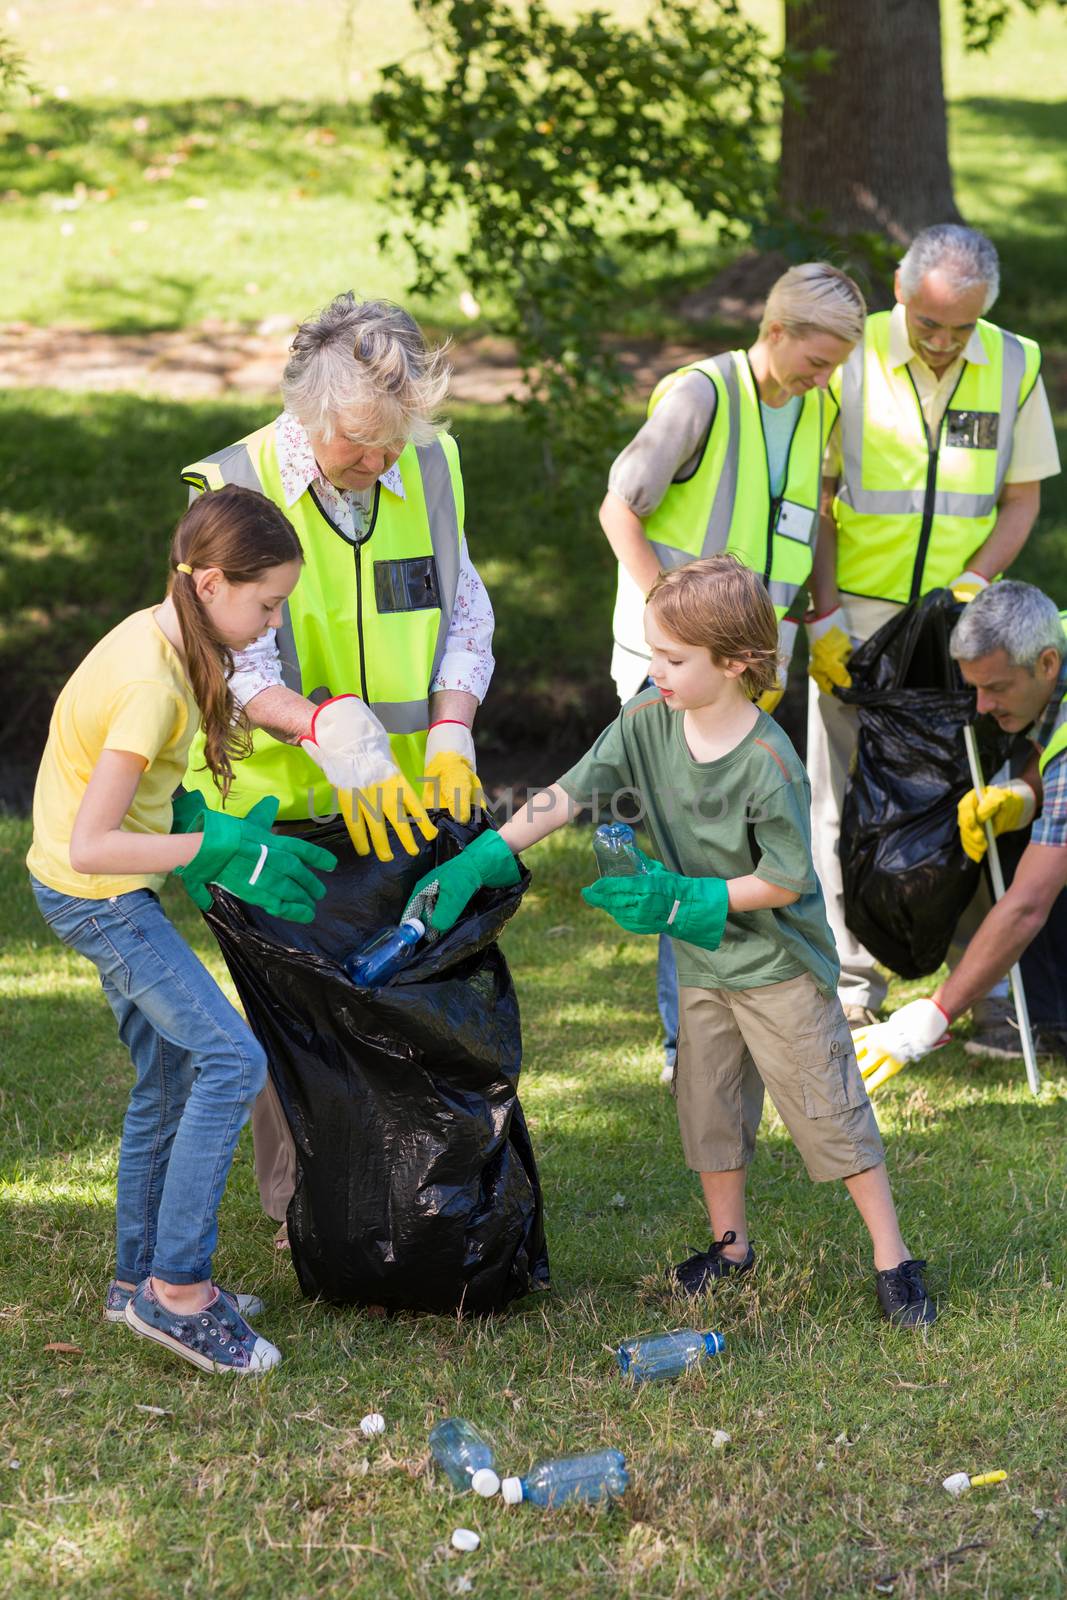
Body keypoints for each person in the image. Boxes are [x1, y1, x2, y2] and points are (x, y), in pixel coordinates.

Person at [411, 556, 934, 1327]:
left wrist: (683, 895)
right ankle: (730, 1249)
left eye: (672, 659)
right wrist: (484, 857)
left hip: (775, 966)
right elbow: (567, 792)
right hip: (701, 963)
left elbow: (786, 881)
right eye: (652, 652)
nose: (653, 670)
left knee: (828, 1110)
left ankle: (893, 1261)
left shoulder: (768, 765)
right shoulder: (644, 722)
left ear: (735, 665)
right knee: (708, 1108)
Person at [180, 292, 496, 1228]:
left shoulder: (431, 465)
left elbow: (464, 611)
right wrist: (322, 732)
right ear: (307, 415)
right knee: (295, 1023)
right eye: (360, 445)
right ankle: (305, 1217)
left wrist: (450, 729)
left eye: (396, 440)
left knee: (400, 1000)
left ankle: (404, 1204)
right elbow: (234, 664)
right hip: (274, 815)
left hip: (404, 802)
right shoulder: (231, 487)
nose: (380, 462)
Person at [26, 487, 336, 1374]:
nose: (272, 622)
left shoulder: (159, 632)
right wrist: (211, 842)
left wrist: (195, 823)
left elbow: (120, 802)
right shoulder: (150, 686)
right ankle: (179, 1294)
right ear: (208, 583)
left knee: (168, 1072)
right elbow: (95, 840)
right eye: (266, 603)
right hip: (97, 892)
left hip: (95, 881)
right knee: (232, 1061)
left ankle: (133, 1284)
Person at [600, 263, 867, 1081]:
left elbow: (809, 518)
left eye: (834, 366)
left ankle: (737, 1035)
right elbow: (619, 509)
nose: (824, 378)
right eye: (814, 360)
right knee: (698, 863)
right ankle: (694, 1051)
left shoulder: (814, 401)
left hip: (751, 670)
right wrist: (676, 630)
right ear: (775, 330)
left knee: (749, 861)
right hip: (673, 673)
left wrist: (815, 619)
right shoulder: (699, 396)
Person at [807, 224, 1061, 1037]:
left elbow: (1020, 498)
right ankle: (850, 984)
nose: (946, 342)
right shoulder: (846, 356)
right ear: (897, 290)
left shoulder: (1013, 363)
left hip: (966, 623)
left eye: (962, 327)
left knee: (974, 797)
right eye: (929, 324)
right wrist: (822, 617)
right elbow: (815, 500)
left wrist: (974, 584)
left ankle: (982, 997)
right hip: (859, 618)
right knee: (838, 795)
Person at [854, 581, 1067, 1085]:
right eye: (974, 686)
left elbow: (1026, 906)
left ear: (1047, 664)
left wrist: (934, 1016)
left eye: (995, 688)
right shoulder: (1050, 631)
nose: (981, 705)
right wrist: (1027, 794)